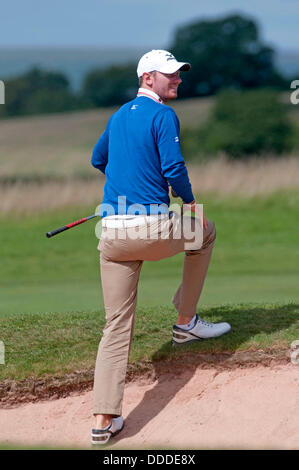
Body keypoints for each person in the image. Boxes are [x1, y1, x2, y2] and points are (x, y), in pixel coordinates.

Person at [90, 49, 231, 445]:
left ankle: (103, 420)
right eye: (171, 75)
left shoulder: (119, 115)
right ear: (148, 78)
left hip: (112, 233)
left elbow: (98, 158)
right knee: (204, 232)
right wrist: (188, 203)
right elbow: (174, 169)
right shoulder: (164, 115)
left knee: (115, 325)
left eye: (179, 74)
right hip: (152, 228)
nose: (178, 80)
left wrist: (129, 178)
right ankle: (185, 322)